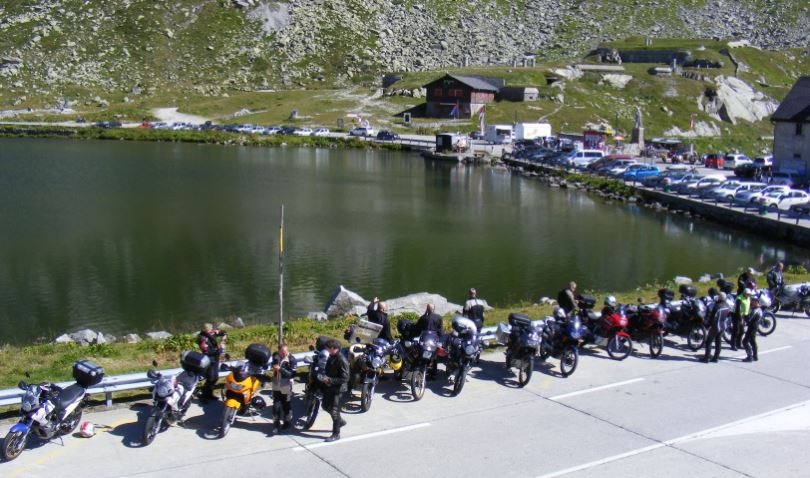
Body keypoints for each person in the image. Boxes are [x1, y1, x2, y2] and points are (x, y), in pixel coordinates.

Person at [319, 338, 348, 442]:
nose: (326, 350)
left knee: (334, 411)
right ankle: (340, 421)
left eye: (327, 348)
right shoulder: (331, 356)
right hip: (330, 386)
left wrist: (330, 380)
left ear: (333, 348)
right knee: (325, 406)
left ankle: (336, 434)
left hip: (338, 389)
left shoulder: (342, 360)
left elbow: (345, 378)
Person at [270, 344, 297, 433]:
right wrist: (273, 368)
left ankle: (287, 422)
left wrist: (280, 369)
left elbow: (292, 374)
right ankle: (276, 423)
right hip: (276, 384)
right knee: (276, 406)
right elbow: (273, 364)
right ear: (278, 351)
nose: (284, 354)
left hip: (286, 385)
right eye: (282, 353)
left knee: (286, 405)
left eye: (285, 352)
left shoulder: (292, 359)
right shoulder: (275, 356)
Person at [197, 323, 227, 401]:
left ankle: (209, 394)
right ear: (205, 330)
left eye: (212, 329)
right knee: (210, 378)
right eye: (209, 330)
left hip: (215, 358)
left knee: (215, 377)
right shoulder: (202, 338)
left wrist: (224, 337)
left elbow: (223, 332)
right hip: (209, 359)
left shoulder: (212, 332)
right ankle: (205, 394)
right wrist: (219, 349)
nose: (211, 331)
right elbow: (206, 351)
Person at [703, 292, 730, 363]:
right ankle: (716, 358)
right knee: (718, 341)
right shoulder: (727, 305)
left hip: (716, 326)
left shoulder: (717, 306)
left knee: (709, 341)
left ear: (720, 297)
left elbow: (712, 317)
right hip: (723, 326)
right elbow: (728, 315)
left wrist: (707, 325)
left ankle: (707, 358)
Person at [742, 296, 762, 362]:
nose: (751, 302)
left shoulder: (755, 310)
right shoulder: (759, 309)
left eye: (753, 301)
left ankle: (749, 356)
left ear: (756, 302)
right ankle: (755, 356)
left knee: (745, 342)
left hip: (752, 328)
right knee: (752, 341)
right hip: (754, 327)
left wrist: (744, 317)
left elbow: (749, 320)